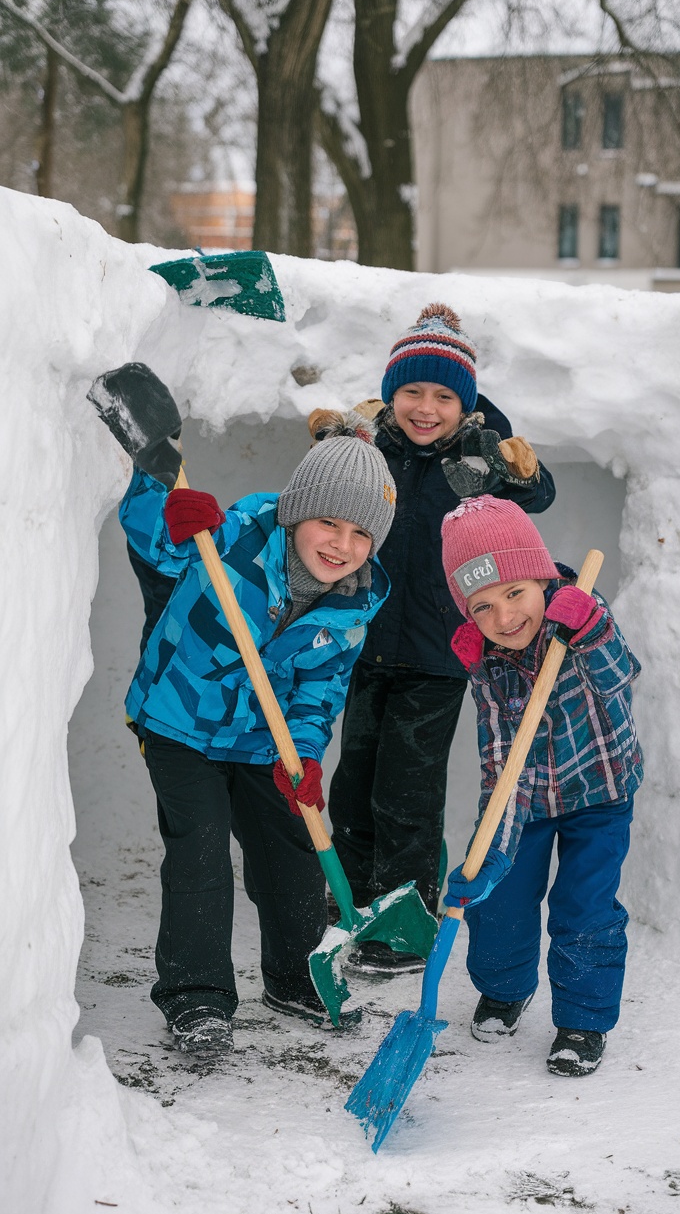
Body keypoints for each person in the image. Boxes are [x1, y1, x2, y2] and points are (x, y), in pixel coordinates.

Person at [119, 423, 396, 1055]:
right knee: (201, 851)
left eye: (361, 534)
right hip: (178, 721)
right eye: (330, 523)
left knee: (291, 846)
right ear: (297, 512)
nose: (343, 545)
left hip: (261, 738)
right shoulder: (235, 535)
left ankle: (296, 976)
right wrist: (166, 510)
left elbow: (322, 685)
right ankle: (197, 997)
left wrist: (302, 752)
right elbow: (156, 544)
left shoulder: (358, 599)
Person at [325, 303, 555, 971]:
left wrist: (516, 471)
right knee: (354, 783)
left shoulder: (480, 454)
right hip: (363, 647)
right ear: (391, 395)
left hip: (436, 654)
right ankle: (353, 904)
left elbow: (534, 495)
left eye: (444, 396)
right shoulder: (376, 449)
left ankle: (405, 924)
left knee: (407, 793)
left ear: (466, 403)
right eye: (412, 392)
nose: (426, 408)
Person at [440, 494, 643, 1077]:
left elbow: (622, 676)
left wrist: (593, 628)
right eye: (482, 607)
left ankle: (581, 1020)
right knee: (498, 894)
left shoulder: (581, 618)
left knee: (585, 908)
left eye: (514, 593)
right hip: (525, 797)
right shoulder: (491, 660)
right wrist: (490, 845)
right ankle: (505, 989)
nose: (504, 618)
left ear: (541, 576)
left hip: (600, 791)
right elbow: (501, 754)